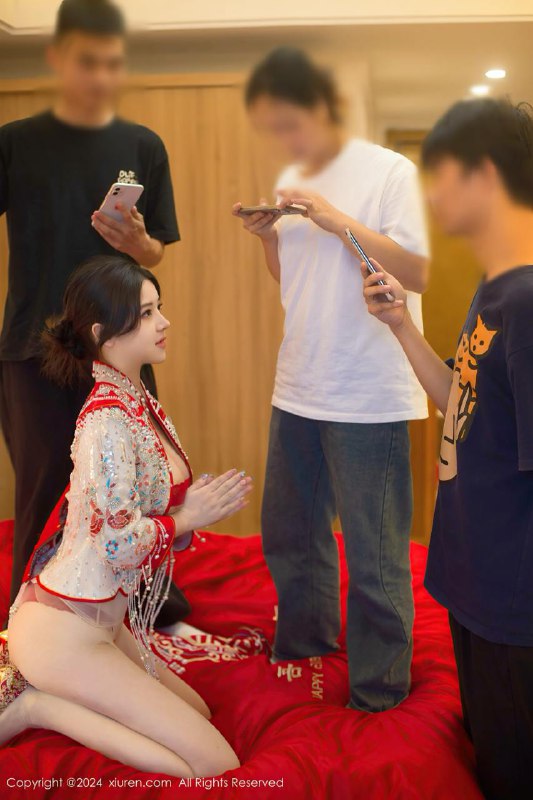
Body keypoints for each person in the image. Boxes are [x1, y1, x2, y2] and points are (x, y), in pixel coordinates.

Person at [0, 255, 252, 777]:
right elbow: (116, 544)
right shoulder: (107, 422)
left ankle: (52, 693)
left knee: (201, 714)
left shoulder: (138, 401)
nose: (164, 322)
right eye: (147, 314)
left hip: (105, 621)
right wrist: (187, 518)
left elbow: (148, 512)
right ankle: (36, 707)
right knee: (212, 763)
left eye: (159, 308)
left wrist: (193, 509)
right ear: (102, 334)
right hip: (63, 631)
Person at [233, 47, 429, 712]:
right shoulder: (292, 177)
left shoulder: (391, 171)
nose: (285, 137)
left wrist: (336, 219)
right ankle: (305, 651)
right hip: (298, 384)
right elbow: (294, 282)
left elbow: (417, 272)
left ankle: (379, 693)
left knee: (374, 555)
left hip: (368, 393)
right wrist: (269, 238)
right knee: (290, 534)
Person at [361, 97, 533, 799]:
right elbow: (460, 404)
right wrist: (402, 325)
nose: (430, 194)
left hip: (513, 607)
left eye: (442, 174)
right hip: (473, 583)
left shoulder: (527, 302)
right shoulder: (495, 286)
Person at [0, 0, 188, 629]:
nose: (101, 76)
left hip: (121, 343)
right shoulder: (14, 143)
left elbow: (157, 249)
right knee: (44, 488)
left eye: (112, 63)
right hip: (32, 345)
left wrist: (139, 243)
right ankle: (32, 626)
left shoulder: (142, 144)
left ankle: (149, 612)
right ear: (58, 59)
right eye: (88, 62)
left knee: (140, 481)